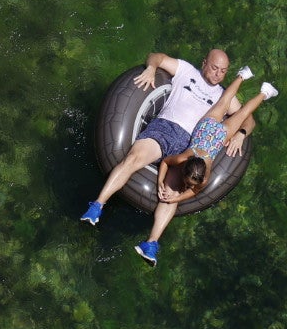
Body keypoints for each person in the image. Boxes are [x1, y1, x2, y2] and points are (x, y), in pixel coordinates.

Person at [80, 49, 251, 227]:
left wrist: (242, 133)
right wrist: (151, 68)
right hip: (165, 128)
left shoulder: (225, 97)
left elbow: (249, 119)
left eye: (223, 71)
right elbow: (156, 57)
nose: (218, 74)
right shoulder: (186, 70)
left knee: (173, 194)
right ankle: (97, 206)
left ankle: (151, 243)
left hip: (190, 145)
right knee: (133, 158)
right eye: (215, 68)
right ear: (204, 63)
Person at [134, 71, 277, 266]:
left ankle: (254, 85)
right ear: (186, 167)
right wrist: (161, 181)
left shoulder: (203, 176)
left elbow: (192, 192)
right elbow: (167, 162)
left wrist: (177, 197)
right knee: (230, 104)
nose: (185, 184)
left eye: (188, 182)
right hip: (211, 130)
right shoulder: (187, 158)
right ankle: (254, 84)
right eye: (186, 181)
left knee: (235, 106)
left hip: (214, 132)